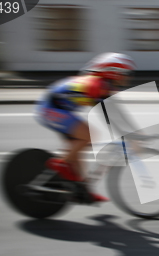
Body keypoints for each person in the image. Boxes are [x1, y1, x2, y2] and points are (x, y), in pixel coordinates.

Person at [35, 52, 136, 203]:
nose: (127, 77)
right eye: (125, 73)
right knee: (89, 135)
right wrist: (131, 134)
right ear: (114, 72)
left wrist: (134, 132)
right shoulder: (97, 84)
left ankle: (82, 191)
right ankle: (60, 163)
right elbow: (109, 114)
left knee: (79, 149)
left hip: (60, 110)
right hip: (49, 109)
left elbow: (116, 113)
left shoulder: (104, 85)